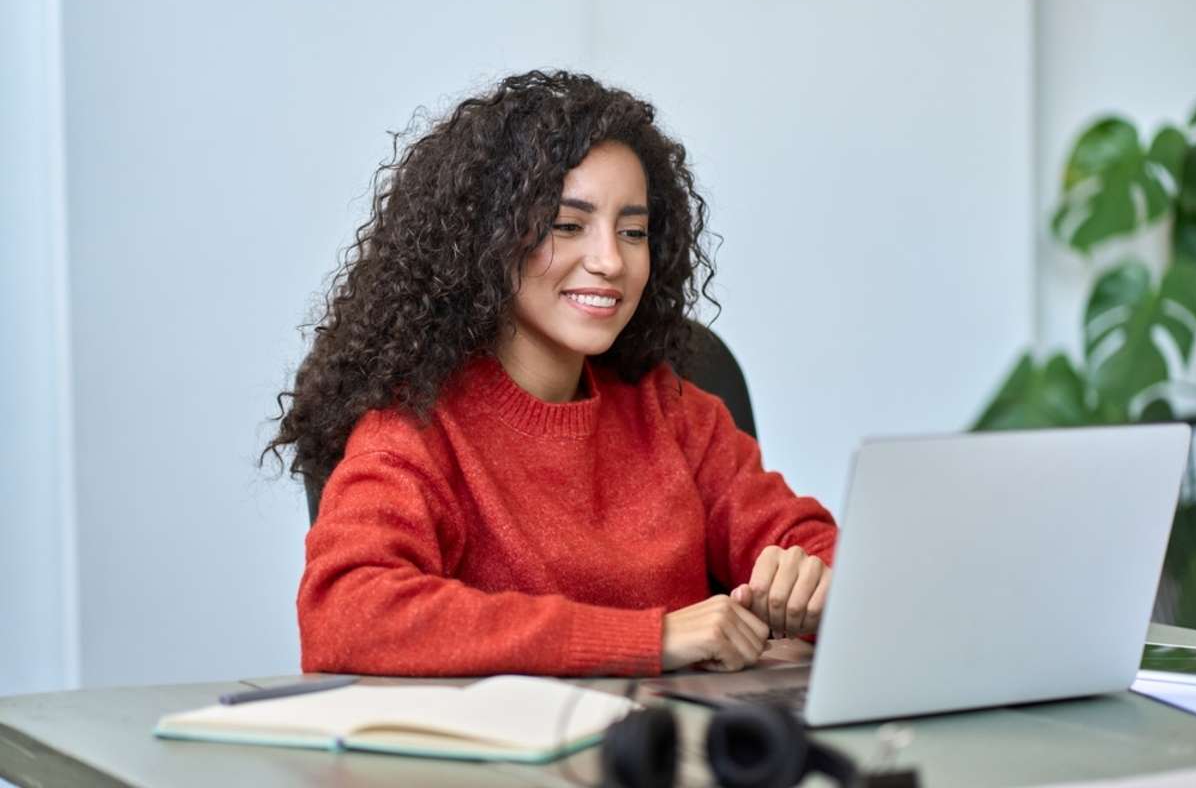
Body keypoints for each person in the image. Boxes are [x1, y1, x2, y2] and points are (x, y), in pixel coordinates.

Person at [263, 70, 838, 677]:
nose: (611, 260)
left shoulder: (672, 409)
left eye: (633, 231)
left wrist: (812, 588)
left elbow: (828, 558)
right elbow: (347, 616)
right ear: (487, 239)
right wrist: (652, 638)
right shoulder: (416, 427)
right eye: (568, 225)